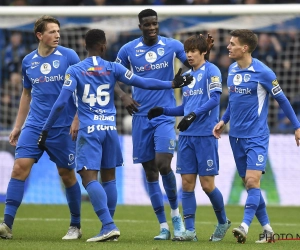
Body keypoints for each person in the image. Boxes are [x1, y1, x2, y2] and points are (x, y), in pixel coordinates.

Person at [36, 29, 193, 242]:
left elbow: (61, 103)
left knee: (88, 177)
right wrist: (171, 84)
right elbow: (142, 82)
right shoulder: (113, 68)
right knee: (109, 178)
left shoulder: (75, 70)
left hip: (89, 131)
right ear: (103, 46)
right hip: (110, 129)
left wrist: (45, 129)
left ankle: (108, 225)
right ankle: (110, 229)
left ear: (84, 45)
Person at [114, 8, 214, 240]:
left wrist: (205, 53)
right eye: (147, 24)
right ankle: (163, 225)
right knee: (149, 171)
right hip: (140, 116)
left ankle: (176, 216)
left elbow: (193, 65)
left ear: (158, 24)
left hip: (164, 115)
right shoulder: (127, 50)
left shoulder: (172, 45)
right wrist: (124, 96)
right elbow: (111, 76)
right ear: (140, 26)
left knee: (163, 163)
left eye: (155, 24)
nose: (152, 27)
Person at [212, 29, 300, 244]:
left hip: (257, 136)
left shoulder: (264, 73)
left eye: (233, 44)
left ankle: (244, 226)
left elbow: (284, 101)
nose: (228, 47)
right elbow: (233, 102)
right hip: (236, 137)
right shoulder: (232, 69)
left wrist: (297, 126)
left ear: (245, 48)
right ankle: (268, 230)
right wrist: (223, 120)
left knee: (252, 181)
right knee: (250, 184)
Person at [0, 15, 82, 240]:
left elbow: (82, 89)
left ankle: (76, 225)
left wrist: (77, 117)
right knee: (19, 168)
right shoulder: (28, 61)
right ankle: (6, 225)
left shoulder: (69, 56)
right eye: (52, 31)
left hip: (62, 126)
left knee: (66, 174)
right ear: (39, 35)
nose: (57, 35)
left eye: (58, 31)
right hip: (34, 125)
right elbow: (26, 94)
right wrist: (18, 126)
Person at [148, 34, 231, 242]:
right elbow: (185, 107)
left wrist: (193, 116)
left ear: (203, 52)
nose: (189, 55)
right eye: (187, 51)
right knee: (186, 184)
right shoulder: (187, 77)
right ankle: (190, 231)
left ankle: (223, 221)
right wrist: (163, 110)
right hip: (186, 136)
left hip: (205, 135)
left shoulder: (211, 71)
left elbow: (214, 99)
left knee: (207, 185)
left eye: (193, 51)